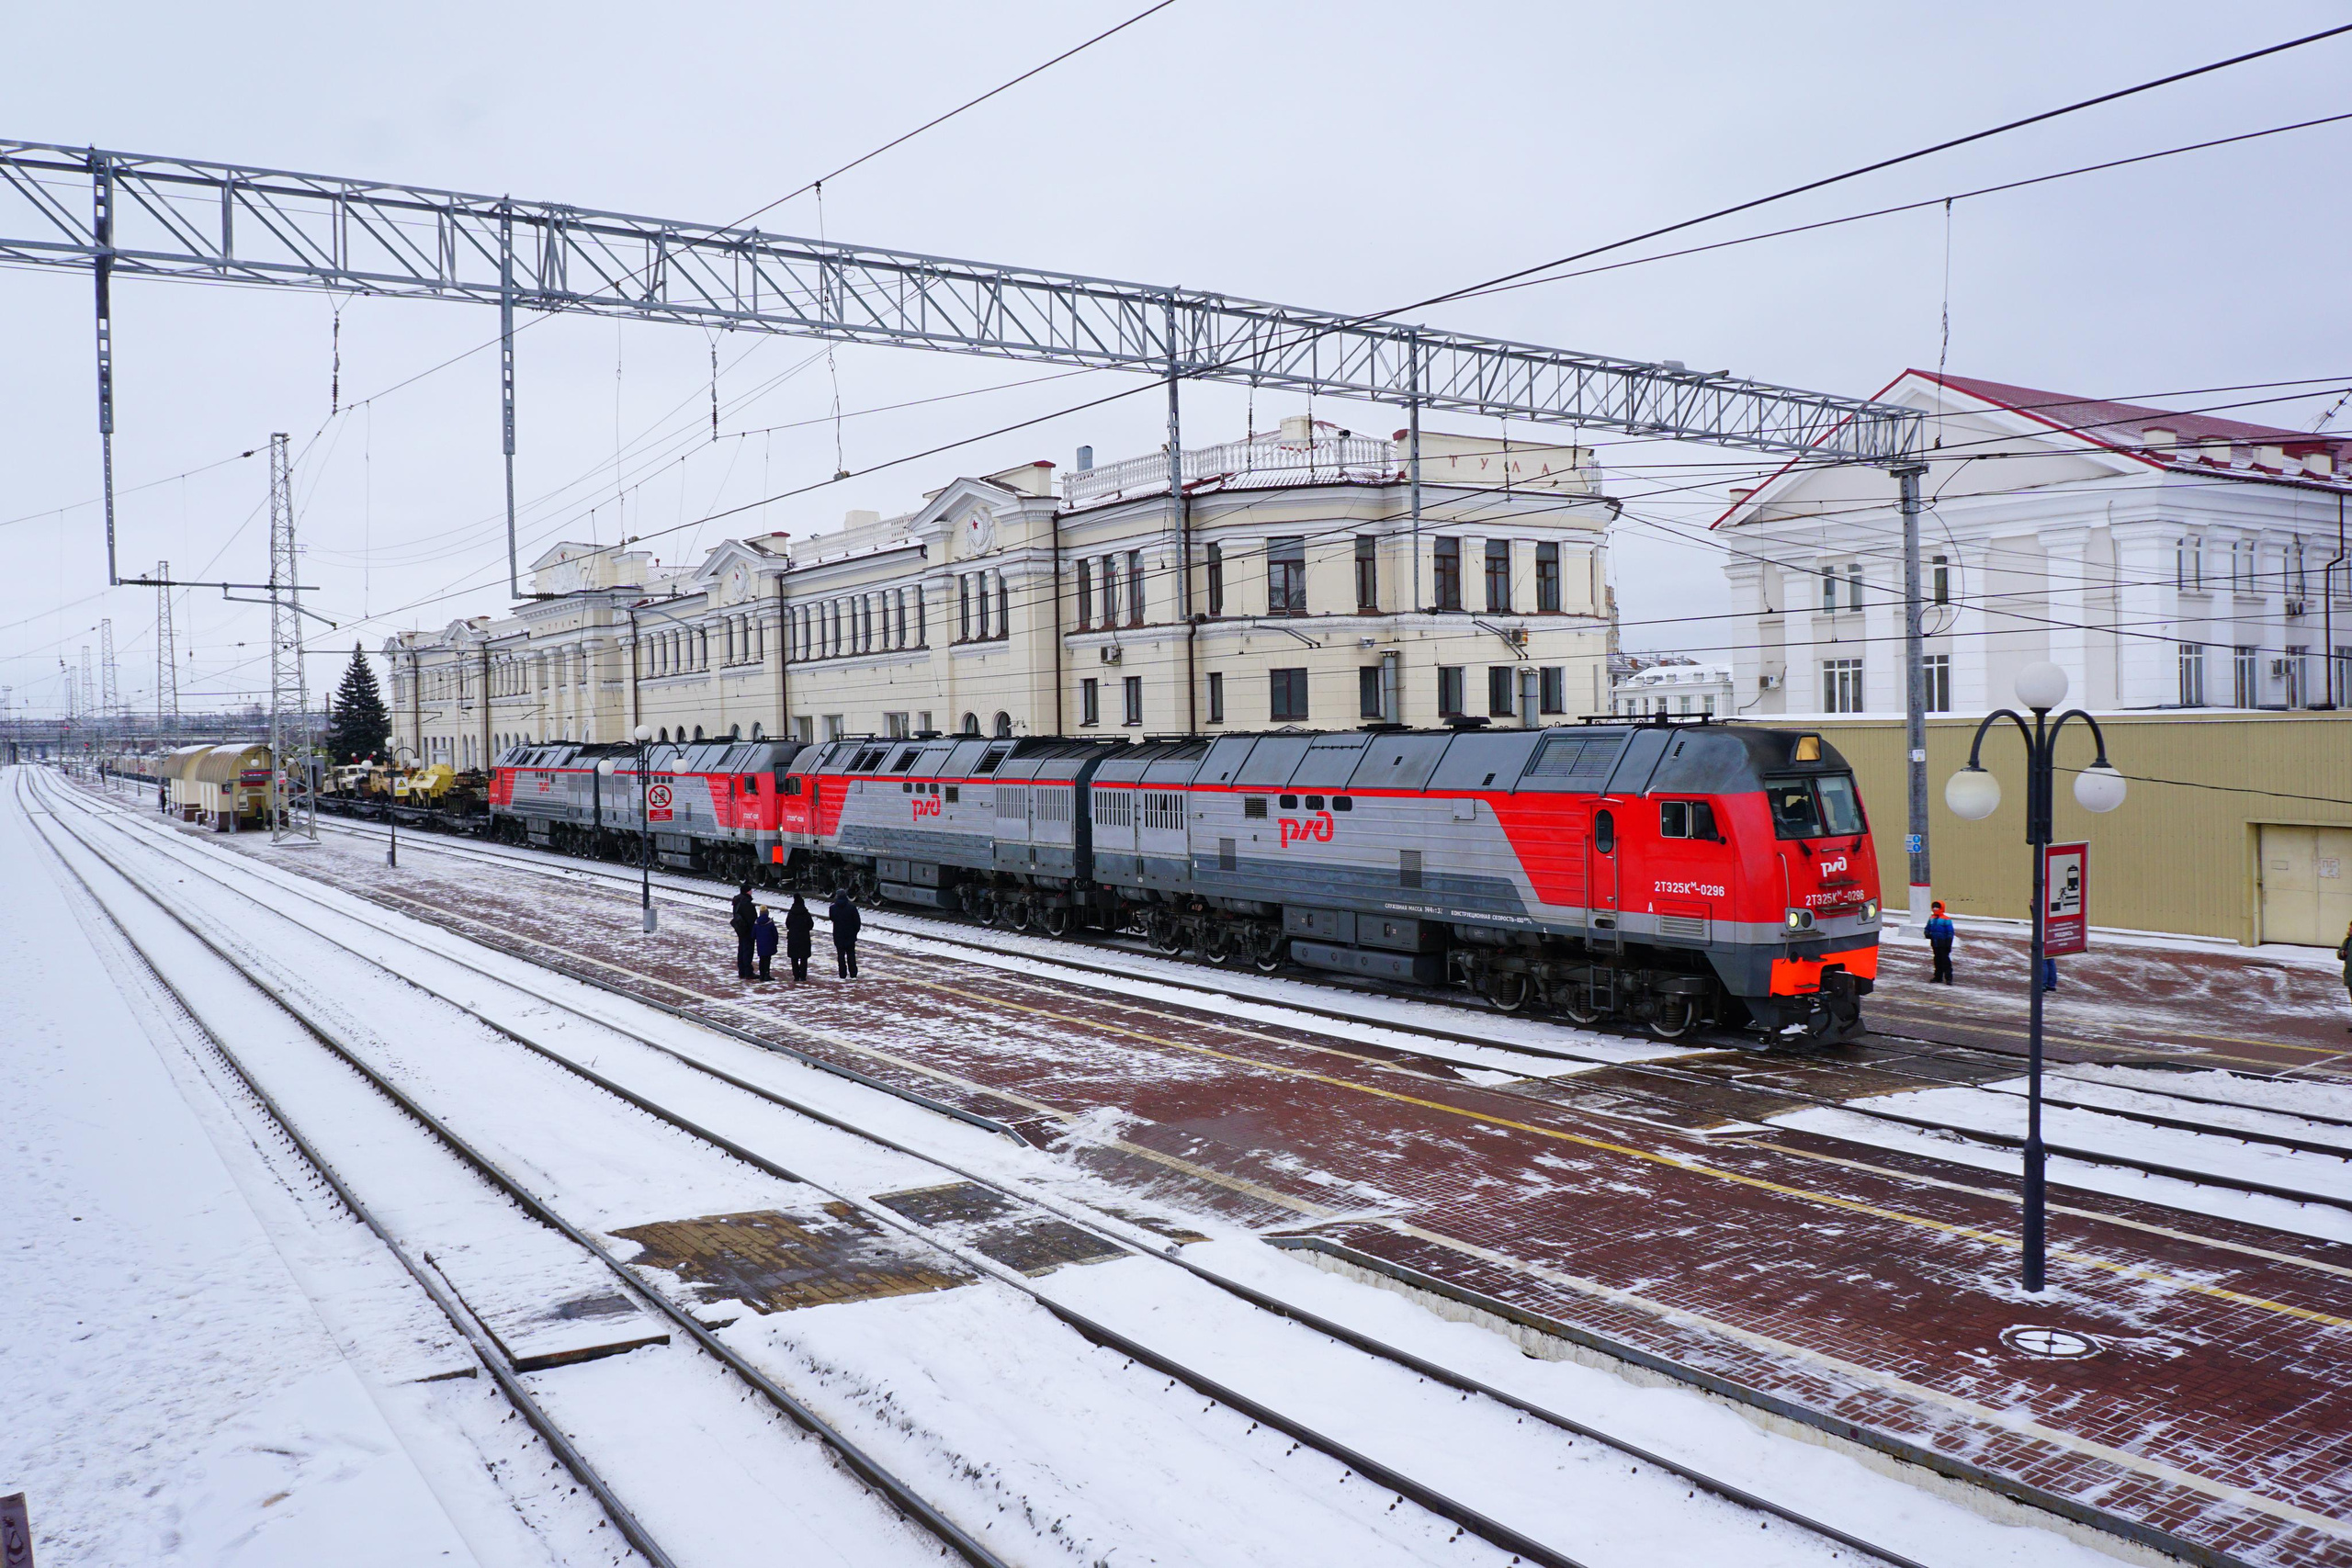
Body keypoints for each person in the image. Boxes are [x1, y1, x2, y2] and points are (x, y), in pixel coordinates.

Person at [829, 887, 862, 979]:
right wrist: (854, 932)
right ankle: (853, 974)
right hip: (850, 935)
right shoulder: (852, 908)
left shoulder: (832, 908)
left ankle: (842, 974)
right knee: (851, 954)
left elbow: (832, 918)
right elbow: (857, 922)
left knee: (840, 955)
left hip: (838, 935)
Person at [785, 895, 814, 985]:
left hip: (793, 938)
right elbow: (811, 925)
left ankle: (796, 976)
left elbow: (787, 924)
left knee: (794, 958)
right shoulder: (806, 914)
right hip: (804, 938)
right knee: (804, 958)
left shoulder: (791, 913)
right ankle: (803, 976)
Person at [729, 881, 756, 980]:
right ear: (747, 892)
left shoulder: (738, 901)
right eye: (750, 890)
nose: (751, 892)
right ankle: (748, 972)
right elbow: (751, 918)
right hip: (747, 930)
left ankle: (742, 971)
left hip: (740, 929)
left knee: (741, 949)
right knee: (748, 951)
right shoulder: (746, 903)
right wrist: (754, 931)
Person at [1924, 900, 1955, 985]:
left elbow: (1950, 932)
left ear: (1941, 908)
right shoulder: (1931, 918)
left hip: (1943, 943)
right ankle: (1938, 977)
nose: (1935, 909)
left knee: (1945, 961)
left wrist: (1948, 943)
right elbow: (1927, 928)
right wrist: (1927, 933)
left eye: (1937, 907)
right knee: (1937, 960)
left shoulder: (1946, 919)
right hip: (1935, 942)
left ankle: (1948, 978)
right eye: (1933, 907)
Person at [752, 907, 779, 982]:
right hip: (769, 943)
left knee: (761, 959)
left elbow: (753, 935)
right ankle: (767, 975)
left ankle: (761, 975)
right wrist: (775, 942)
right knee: (767, 959)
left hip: (760, 944)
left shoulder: (756, 923)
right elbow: (775, 934)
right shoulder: (770, 923)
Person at [2336, 919, 2351, 1032]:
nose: (2350, 929)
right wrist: (2342, 953)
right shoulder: (2348, 940)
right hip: (2350, 976)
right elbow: (2340, 954)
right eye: (2350, 928)